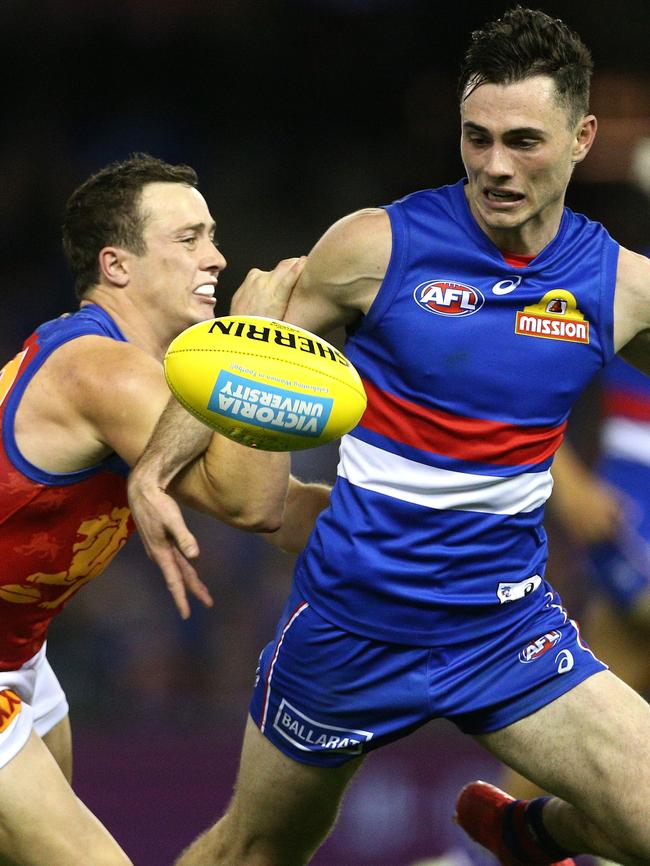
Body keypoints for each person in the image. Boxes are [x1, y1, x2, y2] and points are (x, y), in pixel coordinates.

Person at [128, 8, 650, 866]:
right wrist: (155, 468)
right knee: (254, 849)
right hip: (350, 625)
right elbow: (242, 354)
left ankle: (530, 833)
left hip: (506, 633)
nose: (494, 165)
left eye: (524, 141)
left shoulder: (619, 286)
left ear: (584, 135)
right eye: (475, 138)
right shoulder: (375, 247)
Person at [0, 152, 305, 866]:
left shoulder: (146, 381)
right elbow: (251, 501)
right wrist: (258, 342)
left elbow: (285, 509)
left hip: (19, 650)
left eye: (213, 235)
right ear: (117, 265)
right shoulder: (97, 369)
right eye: (189, 239)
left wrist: (424, 511)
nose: (218, 257)